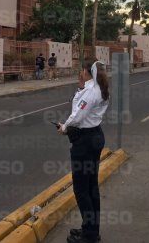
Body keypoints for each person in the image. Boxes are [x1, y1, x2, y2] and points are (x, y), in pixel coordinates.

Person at [57, 59, 109, 243]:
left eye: (81, 70)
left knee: (81, 189)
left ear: (87, 72)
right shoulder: (96, 88)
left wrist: (64, 128)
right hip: (94, 137)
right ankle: (91, 230)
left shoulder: (91, 91)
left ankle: (89, 235)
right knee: (91, 187)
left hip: (85, 141)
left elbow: (77, 116)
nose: (80, 73)